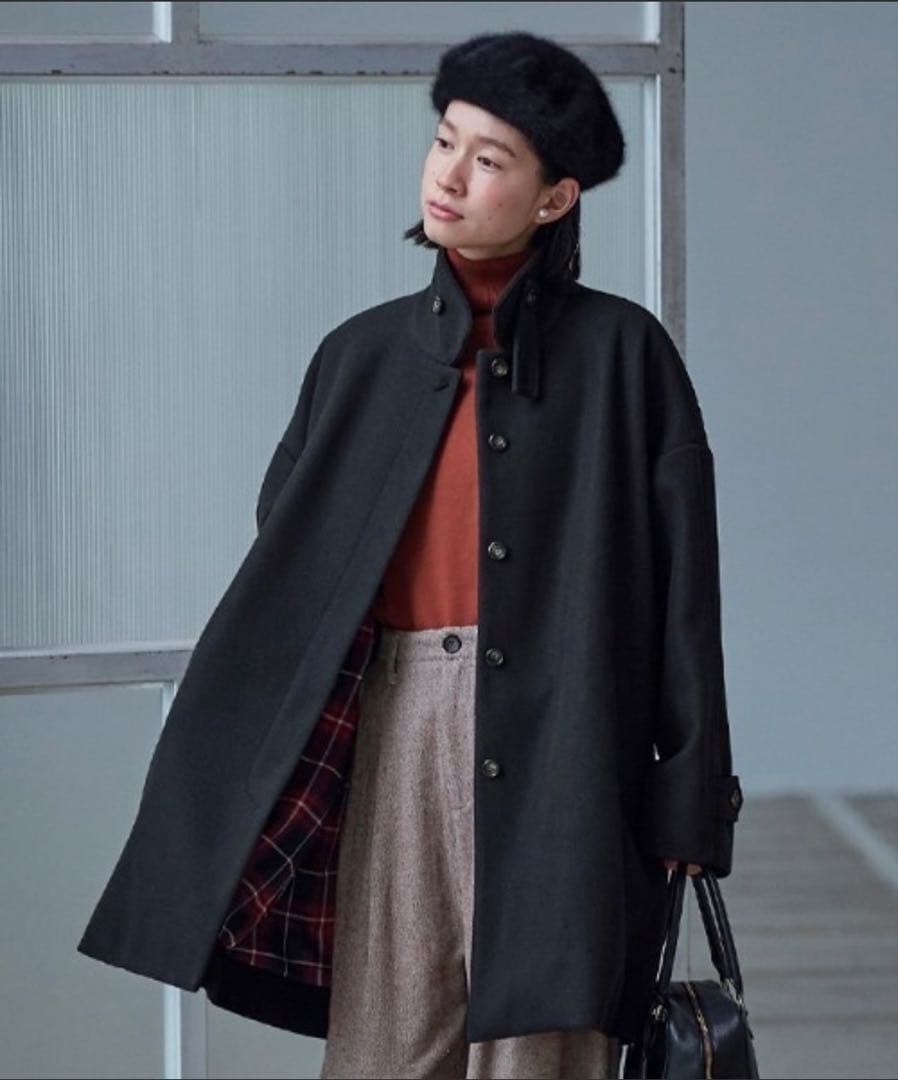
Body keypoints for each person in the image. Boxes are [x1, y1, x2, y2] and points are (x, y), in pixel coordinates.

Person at [77, 31, 742, 1080]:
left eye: (490, 158)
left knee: (540, 1049)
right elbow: (291, 559)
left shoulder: (626, 359)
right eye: (445, 141)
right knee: (386, 1044)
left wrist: (689, 795)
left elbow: (683, 598)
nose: (450, 174)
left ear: (556, 198)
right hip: (397, 721)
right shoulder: (358, 357)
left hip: (569, 740)